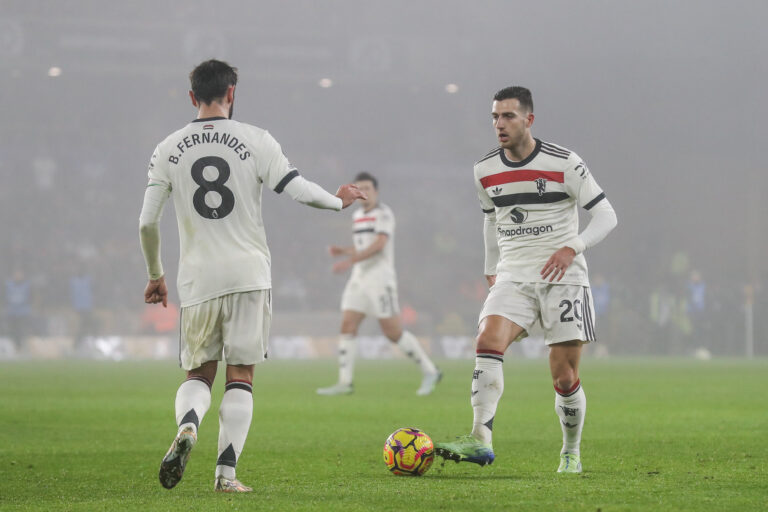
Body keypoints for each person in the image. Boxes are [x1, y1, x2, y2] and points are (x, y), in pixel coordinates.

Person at [139, 59, 365, 493]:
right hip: (249, 275)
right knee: (240, 376)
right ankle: (226, 475)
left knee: (198, 376)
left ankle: (188, 425)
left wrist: (155, 275)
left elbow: (147, 223)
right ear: (232, 94)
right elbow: (297, 188)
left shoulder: (167, 148)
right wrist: (338, 201)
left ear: (192, 97)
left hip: (198, 280)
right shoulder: (257, 140)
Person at [434, 86, 617, 473]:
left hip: (564, 278)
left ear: (528, 120)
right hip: (514, 275)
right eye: (495, 117)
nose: (499, 124)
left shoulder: (565, 162)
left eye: (508, 116)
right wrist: (491, 266)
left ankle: (571, 450)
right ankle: (480, 439)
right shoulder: (484, 170)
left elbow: (606, 216)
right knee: (487, 340)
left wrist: (574, 246)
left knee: (565, 377)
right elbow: (490, 219)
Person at [317, 172, 441, 396]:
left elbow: (379, 245)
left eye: (368, 188)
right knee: (347, 325)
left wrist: (348, 261)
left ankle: (430, 370)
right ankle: (345, 382)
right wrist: (343, 251)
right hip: (359, 278)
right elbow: (363, 246)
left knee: (393, 333)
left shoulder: (384, 214)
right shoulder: (356, 216)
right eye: (359, 188)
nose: (364, 193)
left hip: (380, 279)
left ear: (376, 191)